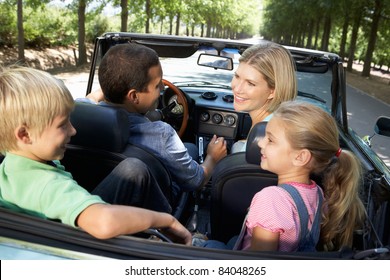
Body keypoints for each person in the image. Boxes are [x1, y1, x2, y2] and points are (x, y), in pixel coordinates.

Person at [0, 65, 191, 244]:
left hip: (58, 233)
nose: (73, 131)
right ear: (24, 135)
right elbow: (104, 222)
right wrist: (165, 221)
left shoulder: (13, 161)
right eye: (62, 125)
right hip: (79, 241)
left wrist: (99, 94)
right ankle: (163, 238)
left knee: (134, 169)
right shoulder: (47, 187)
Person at [199, 101, 365, 251]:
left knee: (202, 245)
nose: (261, 143)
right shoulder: (317, 192)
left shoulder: (270, 200)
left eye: (270, 140)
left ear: (300, 157)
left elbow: (259, 266)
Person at [78, 43, 227, 201]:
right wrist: (212, 157)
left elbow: (90, 98)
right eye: (157, 85)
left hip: (94, 192)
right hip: (157, 204)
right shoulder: (161, 133)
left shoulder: (79, 113)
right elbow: (196, 180)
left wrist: (113, 85)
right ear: (134, 96)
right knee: (191, 148)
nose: (163, 87)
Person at [230, 43, 297, 153]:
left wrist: (214, 160)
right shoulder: (277, 124)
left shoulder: (265, 137)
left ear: (273, 91)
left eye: (250, 83)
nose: (237, 89)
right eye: (237, 76)